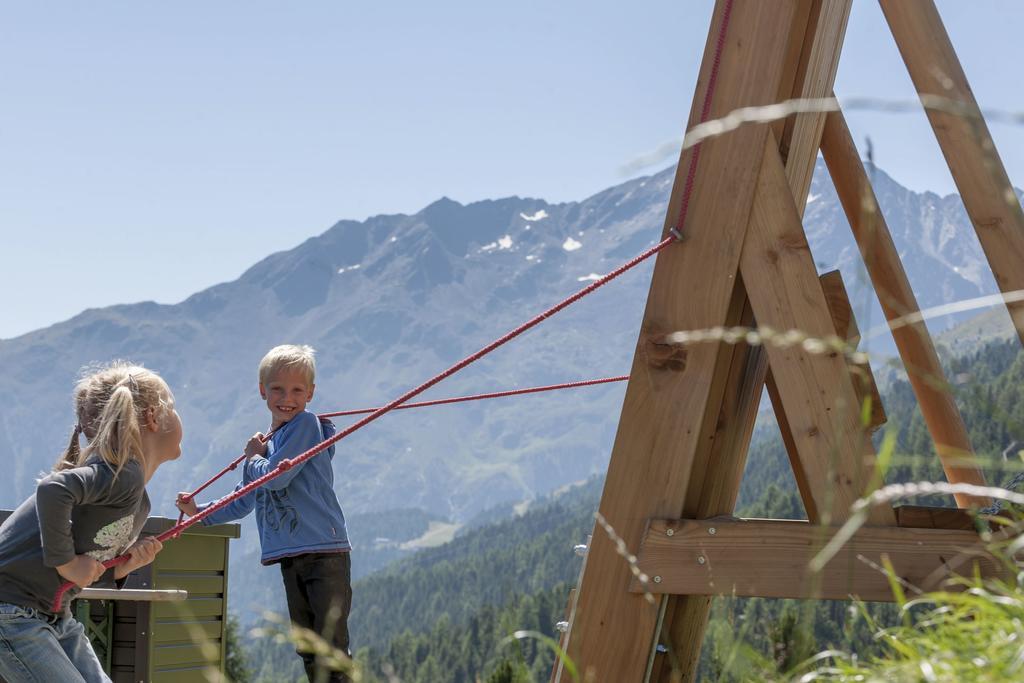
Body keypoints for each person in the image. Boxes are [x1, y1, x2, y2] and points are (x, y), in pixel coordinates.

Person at [176, 344, 352, 683]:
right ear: (262, 391)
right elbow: (244, 499)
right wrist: (200, 512)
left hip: (325, 552)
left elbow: (277, 476)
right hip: (292, 556)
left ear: (310, 394)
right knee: (308, 646)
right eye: (278, 389)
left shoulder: (305, 424)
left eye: (297, 390)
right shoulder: (268, 443)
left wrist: (253, 457)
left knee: (331, 645)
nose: (287, 397)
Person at [0, 362, 179, 683]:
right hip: (11, 611)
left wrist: (120, 568)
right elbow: (52, 489)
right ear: (154, 417)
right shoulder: (122, 475)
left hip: (53, 615)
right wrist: (67, 562)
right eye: (174, 408)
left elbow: (86, 566)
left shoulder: (138, 498)